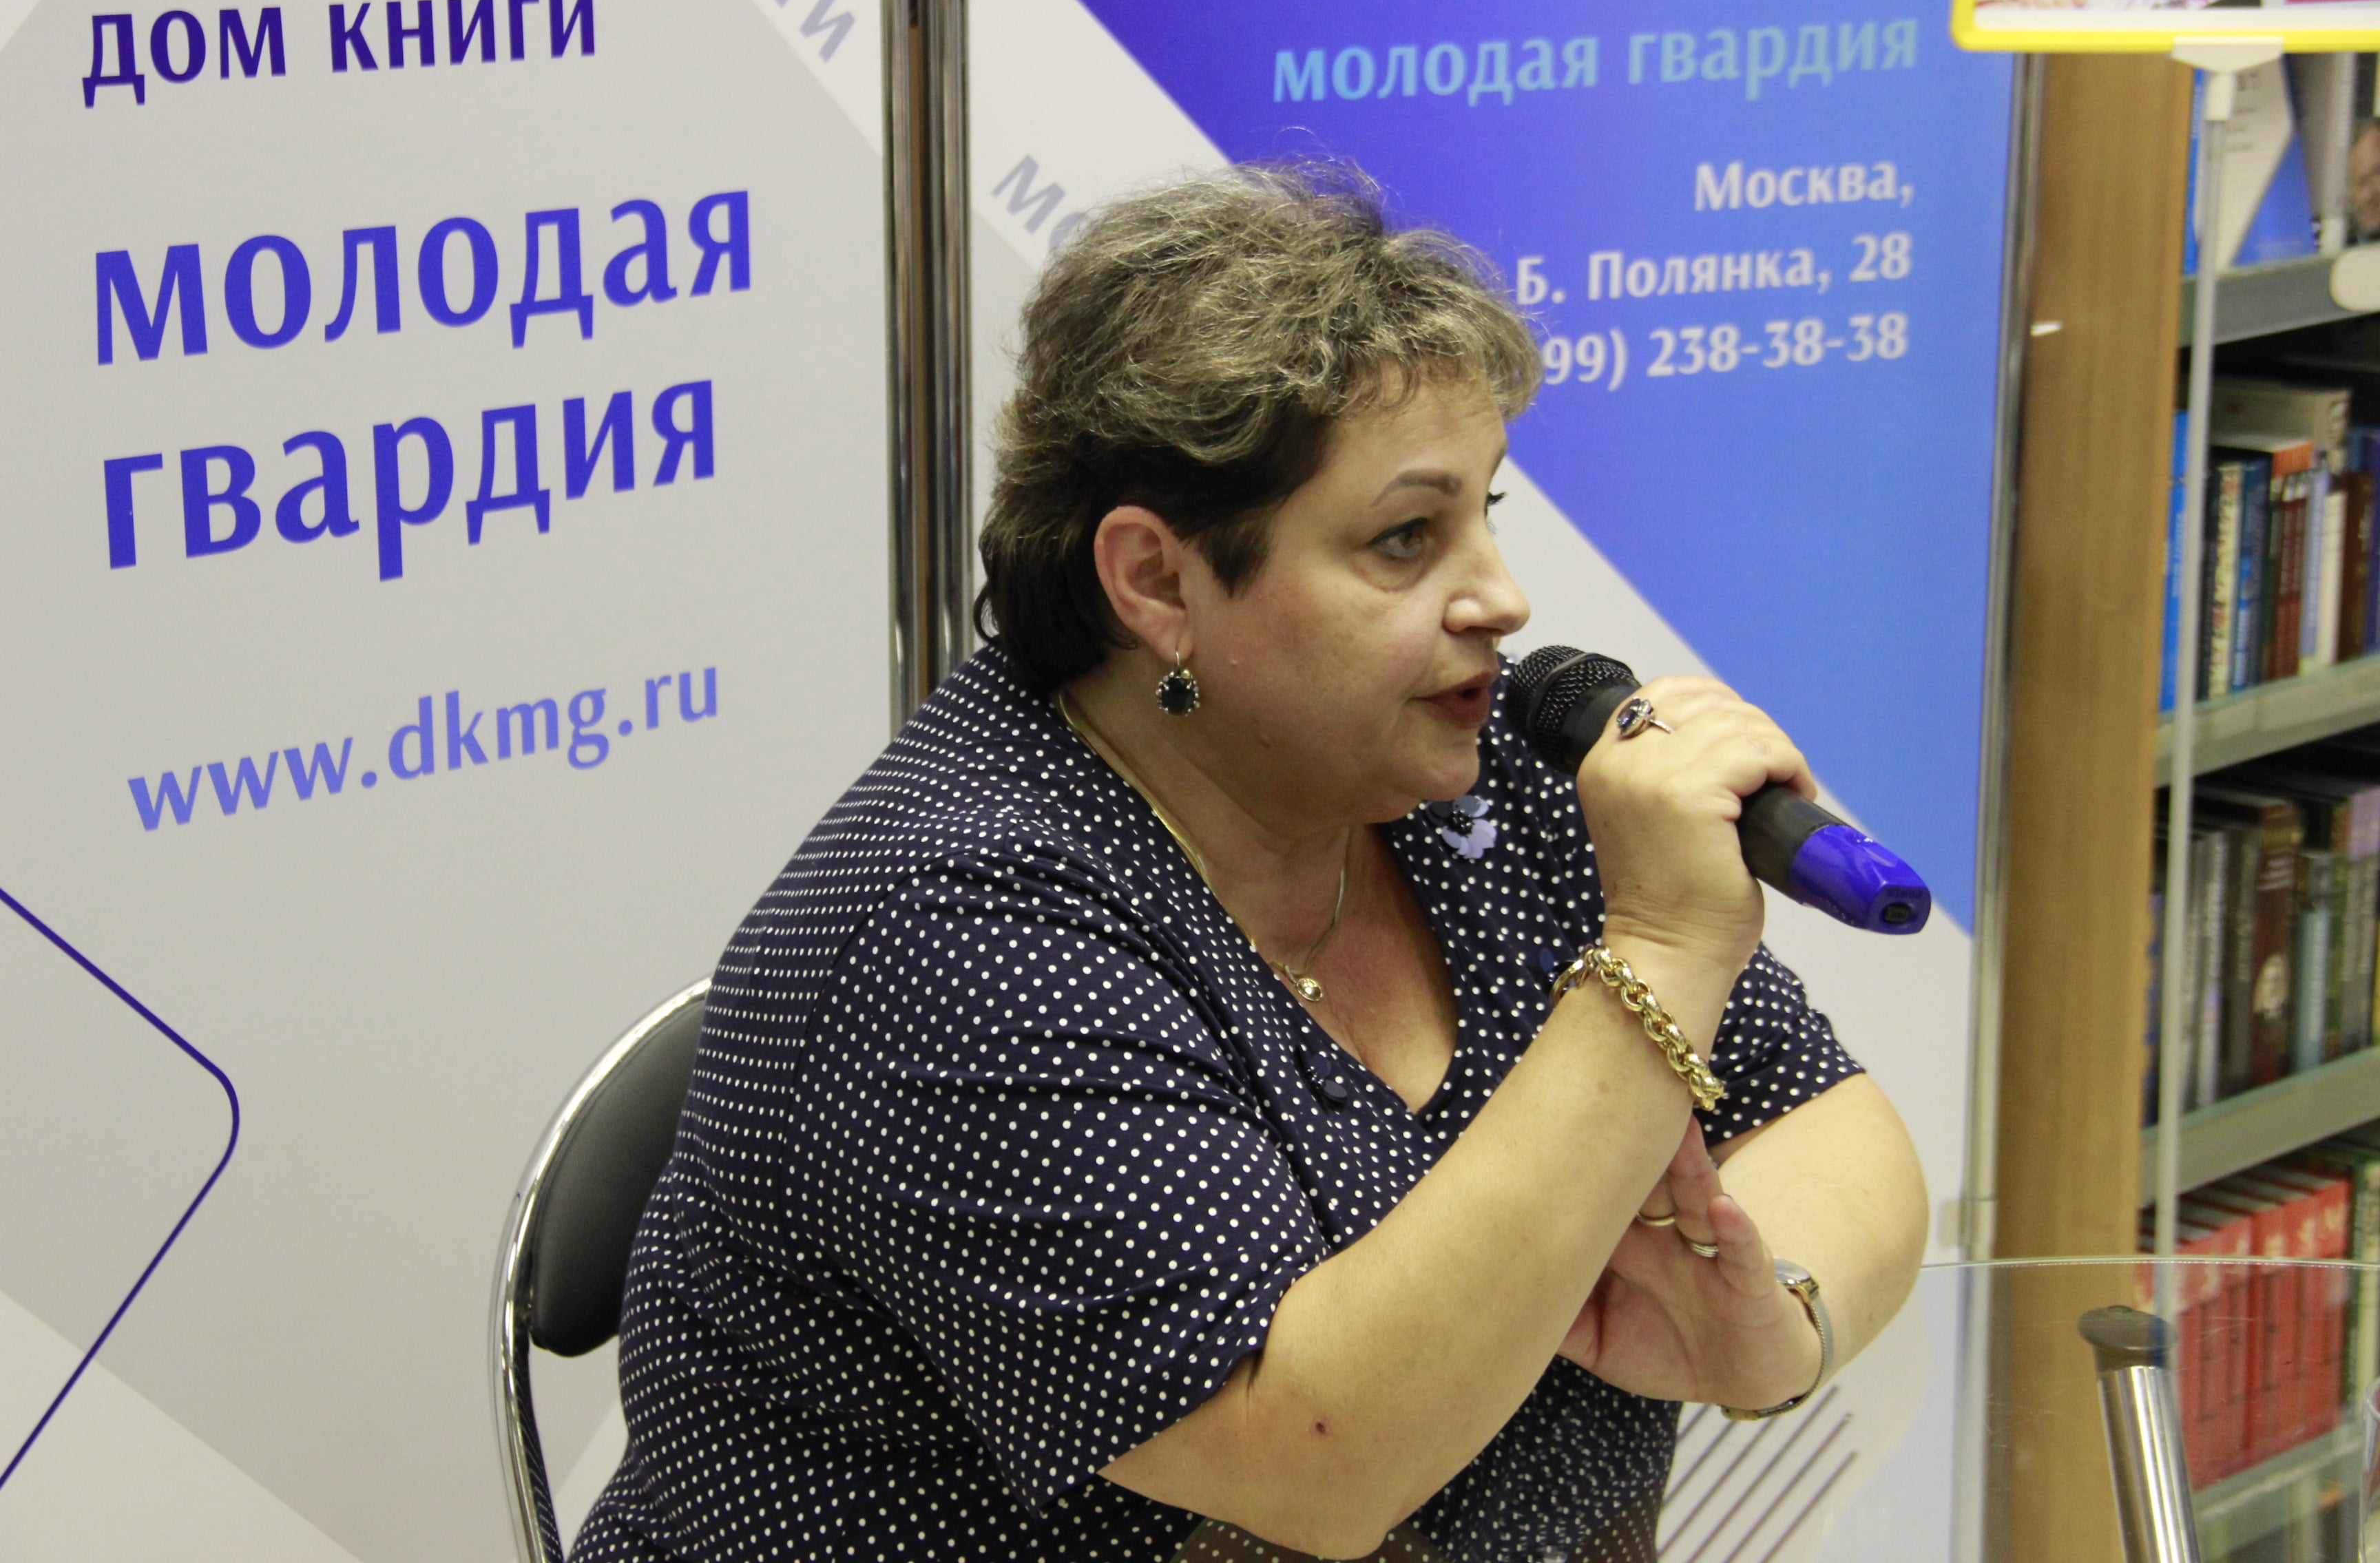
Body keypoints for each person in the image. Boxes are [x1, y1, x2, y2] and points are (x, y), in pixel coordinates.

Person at [572, 162, 1928, 1563]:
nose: (1502, 599)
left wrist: (1778, 1321)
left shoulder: (1479, 772)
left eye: (1487, 513)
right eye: (1405, 539)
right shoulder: (960, 925)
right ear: (1157, 581)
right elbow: (1319, 1457)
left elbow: (1826, 1124)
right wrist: (1660, 949)